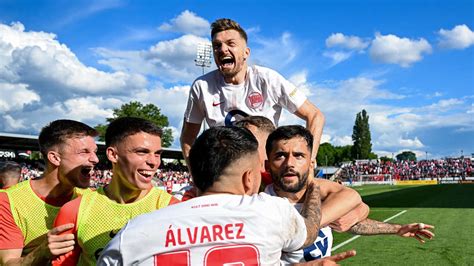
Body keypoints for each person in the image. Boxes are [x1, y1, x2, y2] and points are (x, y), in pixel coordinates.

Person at [97, 126, 330, 265]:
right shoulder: (272, 211)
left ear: (195, 176)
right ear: (249, 178)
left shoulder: (134, 232)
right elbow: (309, 230)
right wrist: (313, 184)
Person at [264, 125, 435, 263]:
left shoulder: (321, 197)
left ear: (311, 163)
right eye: (280, 156)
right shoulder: (263, 208)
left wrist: (397, 229)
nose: (290, 163)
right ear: (267, 165)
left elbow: (350, 222)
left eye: (299, 155)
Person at [180, 18, 325, 166]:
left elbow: (314, 115)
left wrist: (309, 159)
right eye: (217, 46)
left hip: (265, 169)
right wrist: (195, 175)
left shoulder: (268, 79)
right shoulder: (202, 87)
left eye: (231, 43)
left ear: (246, 53)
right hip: (225, 171)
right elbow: (187, 138)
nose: (223, 49)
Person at [51, 117, 179, 266]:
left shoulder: (173, 209)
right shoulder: (74, 211)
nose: (154, 162)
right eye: (142, 152)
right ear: (113, 155)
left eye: (157, 153)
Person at [0, 119, 99, 265]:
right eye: (84, 152)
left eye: (95, 152)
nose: (95, 159)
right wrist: (42, 252)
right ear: (55, 158)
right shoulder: (9, 201)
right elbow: (8, 263)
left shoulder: (92, 198)